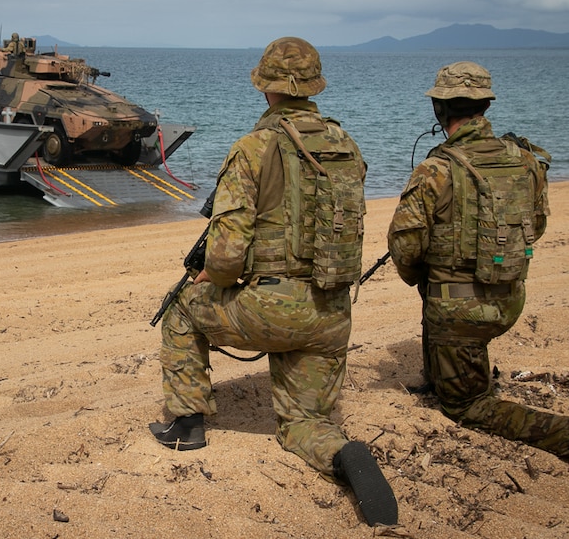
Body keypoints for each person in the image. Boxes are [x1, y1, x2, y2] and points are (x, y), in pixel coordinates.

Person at [150, 37, 398, 527]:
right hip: (331, 313)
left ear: (266, 89)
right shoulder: (345, 144)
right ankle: (342, 454)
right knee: (304, 424)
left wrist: (213, 277)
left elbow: (224, 256)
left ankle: (186, 425)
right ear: (312, 89)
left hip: (274, 311)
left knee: (180, 307)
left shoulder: (254, 147)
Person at [387, 62, 568, 458]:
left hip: (459, 315)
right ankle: (442, 376)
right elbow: (534, 228)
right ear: (484, 106)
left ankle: (560, 433)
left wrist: (426, 277)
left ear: (440, 110)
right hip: (510, 299)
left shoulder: (436, 169)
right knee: (444, 297)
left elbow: (404, 249)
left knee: (468, 406)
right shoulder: (526, 161)